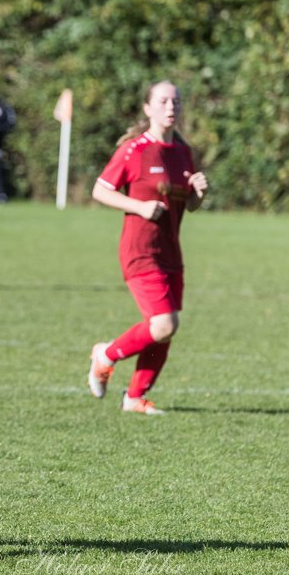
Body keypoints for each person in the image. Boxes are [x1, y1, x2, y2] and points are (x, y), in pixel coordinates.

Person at [86, 81, 208, 415]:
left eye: (177, 102)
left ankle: (135, 398)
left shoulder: (182, 152)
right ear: (147, 108)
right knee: (164, 324)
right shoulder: (134, 150)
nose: (172, 107)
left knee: (166, 330)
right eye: (164, 101)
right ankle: (105, 355)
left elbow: (190, 206)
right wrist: (139, 207)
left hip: (171, 250)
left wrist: (198, 193)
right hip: (140, 251)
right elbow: (101, 190)